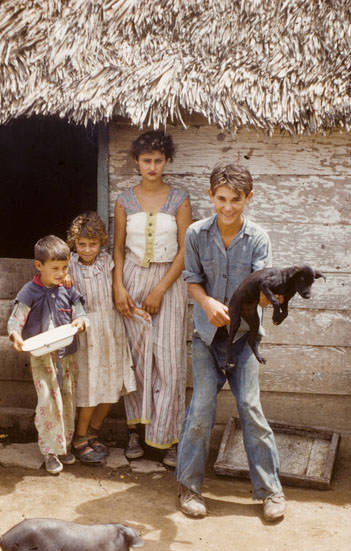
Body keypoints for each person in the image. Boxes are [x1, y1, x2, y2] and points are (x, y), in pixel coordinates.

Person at [175, 163, 286, 522]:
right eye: (221, 199)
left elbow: (264, 288)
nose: (227, 207)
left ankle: (270, 492)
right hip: (207, 338)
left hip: (243, 339)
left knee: (251, 409)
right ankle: (189, 488)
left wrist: (272, 299)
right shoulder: (196, 234)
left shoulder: (258, 239)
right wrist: (207, 303)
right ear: (211, 197)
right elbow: (192, 280)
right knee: (201, 410)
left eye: (235, 200)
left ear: (248, 198)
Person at [112, 130, 192, 466]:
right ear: (137, 161)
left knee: (169, 361)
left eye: (158, 160)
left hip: (169, 282)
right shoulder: (124, 200)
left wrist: (160, 288)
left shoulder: (179, 199)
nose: (153, 167)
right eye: (147, 160)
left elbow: (187, 249)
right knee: (137, 358)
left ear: (166, 161)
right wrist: (118, 287)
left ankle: (169, 438)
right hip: (131, 279)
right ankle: (135, 430)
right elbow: (116, 248)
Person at [7, 235, 88, 475]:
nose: (61, 273)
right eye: (55, 268)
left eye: (65, 268)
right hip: (42, 357)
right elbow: (15, 320)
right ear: (39, 266)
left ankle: (64, 445)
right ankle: (49, 451)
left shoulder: (68, 290)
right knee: (47, 402)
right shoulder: (29, 291)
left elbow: (81, 313)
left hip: (67, 355)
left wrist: (81, 322)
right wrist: (15, 336)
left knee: (67, 400)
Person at [66, 213, 136, 464]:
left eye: (92, 244)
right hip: (86, 331)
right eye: (82, 244)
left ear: (101, 243)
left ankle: (94, 431)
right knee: (90, 386)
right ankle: (79, 437)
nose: (87, 249)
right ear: (74, 243)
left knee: (112, 383)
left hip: (111, 329)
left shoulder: (108, 262)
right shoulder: (69, 265)